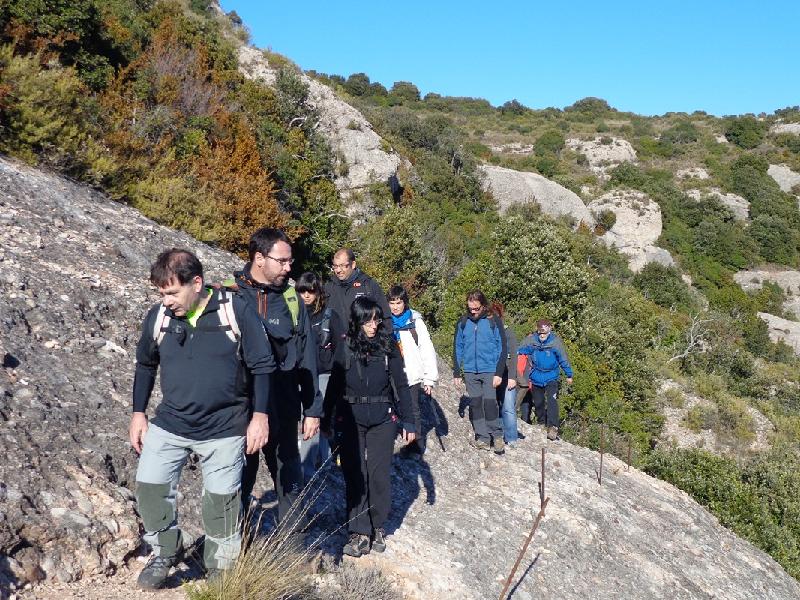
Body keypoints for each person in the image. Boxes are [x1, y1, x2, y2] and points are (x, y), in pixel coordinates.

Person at [130, 249, 274, 590]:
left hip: (224, 429)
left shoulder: (234, 311)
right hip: (171, 423)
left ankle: (220, 571)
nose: (165, 301)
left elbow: (262, 366)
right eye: (161, 293)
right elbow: (145, 364)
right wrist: (138, 412)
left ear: (196, 283)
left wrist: (260, 416)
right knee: (149, 489)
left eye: (171, 292)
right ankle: (167, 551)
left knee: (221, 504)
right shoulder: (159, 318)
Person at [235, 228, 322, 531]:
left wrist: (312, 409)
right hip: (242, 403)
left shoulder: (291, 300)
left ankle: (294, 549)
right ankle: (237, 548)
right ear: (259, 258)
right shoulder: (232, 295)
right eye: (282, 262)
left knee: (288, 474)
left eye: (290, 261)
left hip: (283, 401)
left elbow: (308, 356)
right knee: (239, 475)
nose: (289, 268)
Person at [324, 297, 418, 557]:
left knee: (378, 475)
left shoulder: (388, 346)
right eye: (368, 319)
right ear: (357, 320)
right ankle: (358, 531)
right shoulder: (344, 346)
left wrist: (409, 420)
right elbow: (334, 385)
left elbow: (401, 383)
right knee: (355, 473)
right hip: (350, 418)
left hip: (382, 419)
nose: (373, 324)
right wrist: (324, 419)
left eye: (376, 318)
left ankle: (377, 525)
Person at [295, 271, 345, 482]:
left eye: (311, 290)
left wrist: (339, 376)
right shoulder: (293, 314)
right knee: (308, 419)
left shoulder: (329, 316)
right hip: (301, 374)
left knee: (313, 418)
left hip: (324, 375)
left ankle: (306, 470)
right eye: (302, 290)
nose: (306, 295)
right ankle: (322, 462)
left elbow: (342, 348)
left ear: (318, 291)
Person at [452, 290, 507, 455]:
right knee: (475, 404)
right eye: (470, 309)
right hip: (470, 371)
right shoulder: (462, 323)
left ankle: (497, 437)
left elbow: (502, 348)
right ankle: (482, 438)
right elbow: (458, 347)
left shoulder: (493, 321)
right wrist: (456, 372)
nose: (473, 312)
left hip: (489, 370)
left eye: (476, 309)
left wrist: (498, 372)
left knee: (490, 403)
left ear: (483, 306)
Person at [387, 284, 438, 457]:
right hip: (390, 373)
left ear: (405, 303)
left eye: (398, 303)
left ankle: (415, 443)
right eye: (392, 303)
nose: (395, 307)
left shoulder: (415, 322)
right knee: (393, 406)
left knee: (412, 408)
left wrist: (429, 379)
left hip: (411, 373)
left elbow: (427, 349)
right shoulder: (384, 322)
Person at [517, 319, 573, 441]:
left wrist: (569, 374)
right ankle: (541, 422)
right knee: (539, 402)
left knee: (552, 401)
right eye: (540, 333)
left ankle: (553, 427)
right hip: (536, 375)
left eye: (544, 333)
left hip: (551, 376)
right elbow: (521, 348)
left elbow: (563, 358)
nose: (542, 335)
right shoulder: (532, 340)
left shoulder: (555, 343)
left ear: (549, 330)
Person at [324, 248, 391, 326]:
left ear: (353, 265)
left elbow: (385, 316)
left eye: (342, 266)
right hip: (337, 337)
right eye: (335, 266)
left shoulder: (368, 285)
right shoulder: (329, 286)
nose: (338, 270)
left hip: (362, 337)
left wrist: (385, 336)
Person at [492, 303, 520, 448]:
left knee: (508, 406)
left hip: (508, 374)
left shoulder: (508, 332)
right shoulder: (489, 332)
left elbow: (514, 355)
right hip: (493, 374)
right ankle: (498, 435)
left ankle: (511, 438)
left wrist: (513, 377)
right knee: (495, 404)